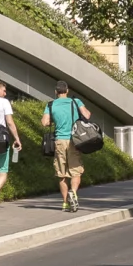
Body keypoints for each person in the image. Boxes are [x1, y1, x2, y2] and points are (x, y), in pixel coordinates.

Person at [43, 80, 90, 212]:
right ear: (67, 90)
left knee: (61, 174)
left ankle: (65, 203)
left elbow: (45, 122)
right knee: (76, 171)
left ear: (55, 92)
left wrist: (55, 119)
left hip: (59, 141)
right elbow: (87, 115)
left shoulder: (50, 105)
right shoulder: (76, 102)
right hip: (74, 140)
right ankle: (73, 192)